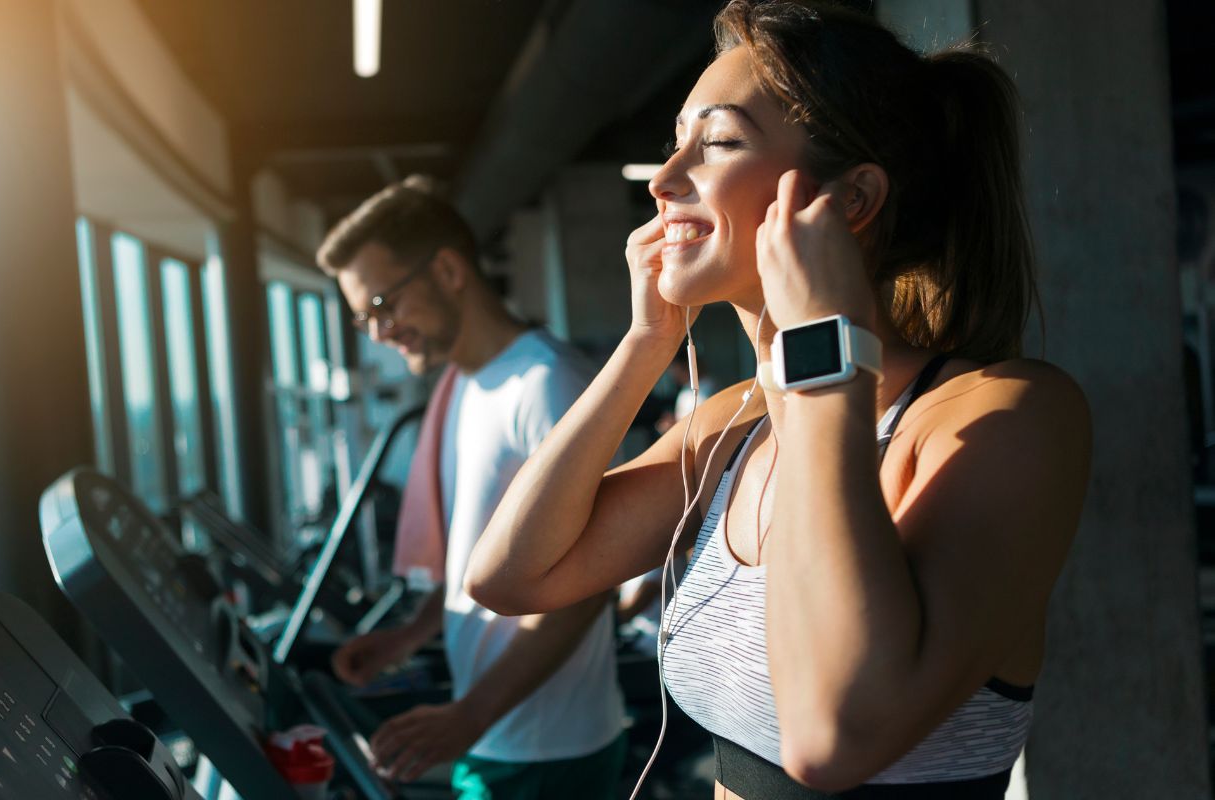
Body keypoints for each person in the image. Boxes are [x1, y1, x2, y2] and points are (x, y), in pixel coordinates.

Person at [464, 2, 1091, 798]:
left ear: (851, 201)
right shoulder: (736, 420)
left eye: (718, 143)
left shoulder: (1005, 417)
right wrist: (644, 345)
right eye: (674, 143)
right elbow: (512, 577)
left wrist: (824, 348)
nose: (663, 179)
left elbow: (831, 741)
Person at [318, 176, 626, 798]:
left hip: (545, 747)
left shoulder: (547, 384)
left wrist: (468, 716)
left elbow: (591, 583)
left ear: (449, 271)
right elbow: (487, 556)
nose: (378, 333)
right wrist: (410, 636)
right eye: (362, 319)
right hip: (497, 738)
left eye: (383, 306)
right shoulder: (464, 386)